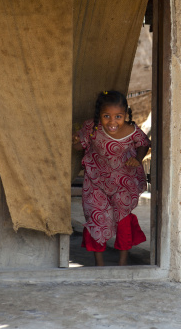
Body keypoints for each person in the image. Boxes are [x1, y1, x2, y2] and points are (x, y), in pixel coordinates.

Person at [72, 90, 150, 266]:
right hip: (95, 182)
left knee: (123, 222)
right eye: (107, 116)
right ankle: (99, 264)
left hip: (123, 183)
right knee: (96, 220)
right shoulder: (92, 128)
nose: (112, 121)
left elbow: (144, 143)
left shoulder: (132, 130)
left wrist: (137, 159)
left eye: (118, 116)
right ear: (99, 114)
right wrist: (74, 140)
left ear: (125, 115)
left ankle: (122, 263)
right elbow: (79, 146)